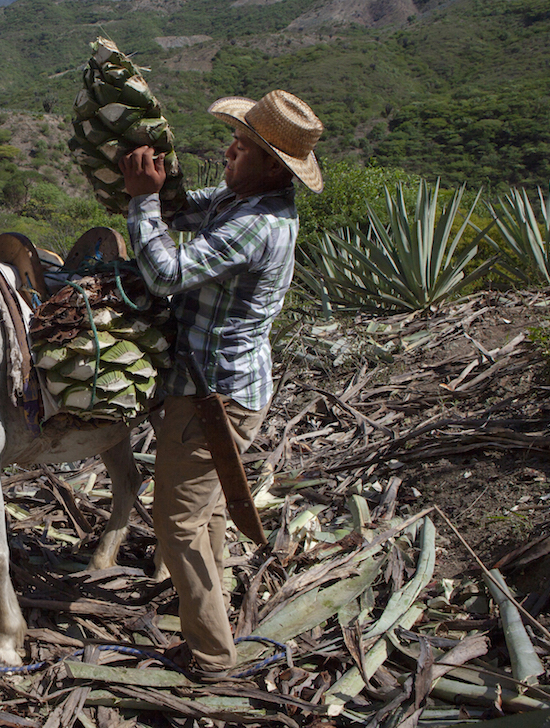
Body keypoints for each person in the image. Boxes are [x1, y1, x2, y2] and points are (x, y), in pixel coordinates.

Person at [118, 89, 324, 678]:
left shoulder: (259, 223)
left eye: (245, 146)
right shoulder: (238, 199)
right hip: (217, 387)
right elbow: (180, 209)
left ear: (273, 166)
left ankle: (210, 655)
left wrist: (140, 205)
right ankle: (217, 619)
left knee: (176, 523)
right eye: (238, 138)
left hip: (216, 396)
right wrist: (151, 183)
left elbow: (166, 273)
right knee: (205, 514)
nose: (230, 150)